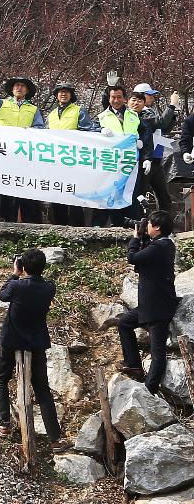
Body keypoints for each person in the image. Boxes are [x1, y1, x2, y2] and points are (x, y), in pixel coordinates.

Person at [0, 248, 69, 453]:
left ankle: (4, 423)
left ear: (23, 267)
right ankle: (55, 438)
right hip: (36, 342)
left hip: (11, 339)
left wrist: (15, 273)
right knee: (42, 389)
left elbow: (2, 295)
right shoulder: (49, 287)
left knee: (1, 379)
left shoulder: (16, 286)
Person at [117, 211, 180, 394]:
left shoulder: (160, 246)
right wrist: (143, 239)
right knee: (124, 323)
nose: (147, 227)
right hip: (150, 305)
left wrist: (135, 238)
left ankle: (149, 390)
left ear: (157, 227)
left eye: (149, 224)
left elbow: (133, 258)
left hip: (157, 307)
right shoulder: (161, 245)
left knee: (157, 352)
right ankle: (134, 364)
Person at [0, 77, 45, 223]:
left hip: (23, 154)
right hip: (4, 153)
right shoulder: (2, 103)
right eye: (17, 85)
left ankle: (26, 221)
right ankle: (5, 218)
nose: (19, 88)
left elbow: (40, 128)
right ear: (12, 89)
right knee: (4, 186)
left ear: (27, 90)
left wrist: (29, 132)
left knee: (23, 186)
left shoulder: (33, 109)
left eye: (23, 86)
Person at [46, 83, 98, 226]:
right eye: (61, 92)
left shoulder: (78, 111)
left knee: (73, 193)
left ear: (71, 95)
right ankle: (59, 225)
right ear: (56, 96)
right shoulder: (51, 115)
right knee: (57, 192)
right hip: (55, 160)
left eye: (66, 92)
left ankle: (77, 226)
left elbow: (87, 130)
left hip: (73, 159)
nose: (63, 94)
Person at [94, 85, 144, 227]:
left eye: (119, 97)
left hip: (130, 163)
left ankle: (131, 226)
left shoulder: (133, 116)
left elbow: (146, 134)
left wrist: (145, 152)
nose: (116, 100)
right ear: (109, 99)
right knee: (109, 193)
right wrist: (100, 129)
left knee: (130, 195)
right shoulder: (101, 117)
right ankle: (110, 225)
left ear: (124, 99)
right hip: (110, 163)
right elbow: (89, 131)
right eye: (113, 97)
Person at [132, 84, 179, 214]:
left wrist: (174, 114)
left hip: (157, 160)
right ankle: (139, 227)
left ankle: (165, 226)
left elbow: (163, 128)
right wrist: (171, 105)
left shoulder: (150, 111)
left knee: (164, 197)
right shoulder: (138, 114)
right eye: (149, 95)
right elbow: (160, 122)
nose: (152, 98)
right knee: (140, 196)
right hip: (145, 160)